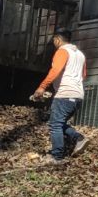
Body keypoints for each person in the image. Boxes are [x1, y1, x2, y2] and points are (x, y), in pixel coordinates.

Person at [32, 28, 88, 163]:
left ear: (57, 39)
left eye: (54, 40)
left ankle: (57, 156)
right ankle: (78, 138)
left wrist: (42, 87)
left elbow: (55, 70)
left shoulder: (62, 51)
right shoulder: (80, 54)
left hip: (64, 94)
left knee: (55, 125)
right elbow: (83, 76)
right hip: (78, 95)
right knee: (58, 123)